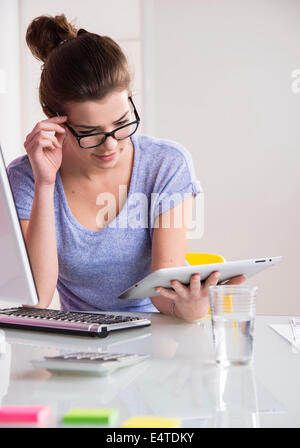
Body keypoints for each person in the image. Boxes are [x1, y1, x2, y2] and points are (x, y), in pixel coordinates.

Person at [7, 14, 245, 322]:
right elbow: (38, 300)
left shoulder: (165, 165)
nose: (111, 145)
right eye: (91, 132)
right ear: (53, 119)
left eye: (122, 124)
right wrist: (45, 183)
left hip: (156, 335)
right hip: (81, 340)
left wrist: (191, 306)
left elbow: (163, 292)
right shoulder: (26, 178)